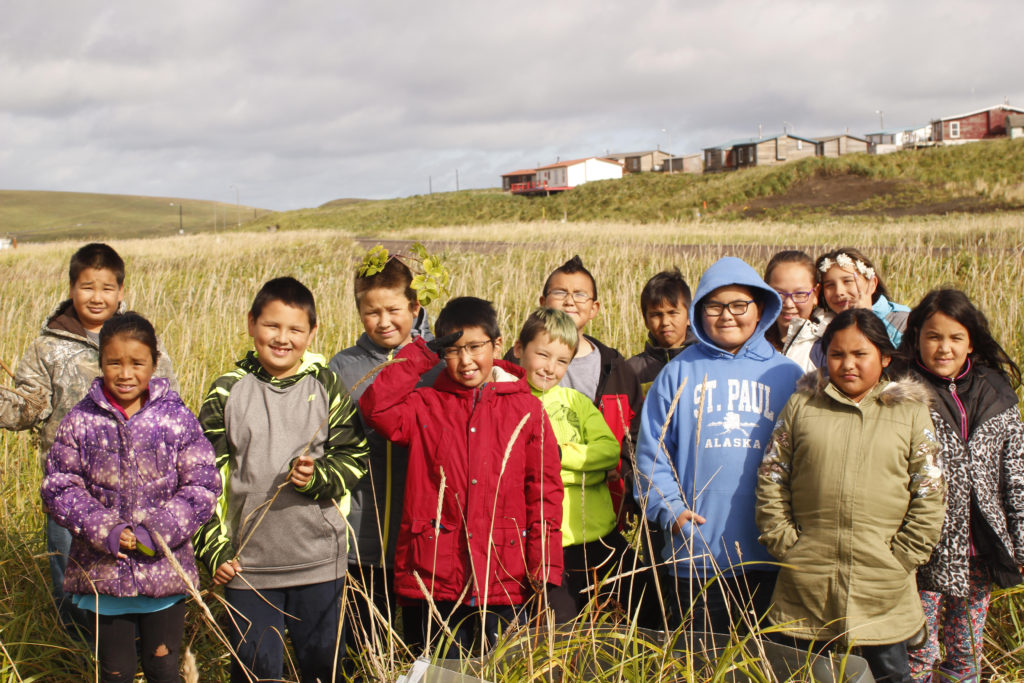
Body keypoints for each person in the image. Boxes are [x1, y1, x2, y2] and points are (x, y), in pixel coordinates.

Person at [360, 296, 563, 653]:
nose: (465, 360)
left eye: (474, 347)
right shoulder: (425, 405)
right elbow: (377, 408)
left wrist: (543, 567)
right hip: (433, 574)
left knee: (497, 671)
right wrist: (420, 353)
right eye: (452, 350)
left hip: (503, 576)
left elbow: (544, 494)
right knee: (438, 672)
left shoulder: (526, 409)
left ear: (497, 345)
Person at [193, 277, 369, 683]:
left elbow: (354, 456)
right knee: (256, 672)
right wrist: (215, 551)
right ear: (252, 323)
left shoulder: (325, 384)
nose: (282, 338)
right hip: (247, 569)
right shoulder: (227, 390)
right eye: (272, 326)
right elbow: (200, 481)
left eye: (295, 329)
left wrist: (317, 478)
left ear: (312, 332)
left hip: (321, 564)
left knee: (324, 670)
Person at [757, 309, 946, 683]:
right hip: (808, 579)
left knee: (890, 675)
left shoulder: (909, 412)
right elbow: (772, 476)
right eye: (837, 354)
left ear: (885, 357)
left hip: (883, 583)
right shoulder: (802, 405)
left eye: (860, 354)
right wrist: (784, 542)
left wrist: (904, 556)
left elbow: (930, 491)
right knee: (804, 674)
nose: (848, 365)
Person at [0, 243, 176, 634]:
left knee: (135, 576)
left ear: (121, 289)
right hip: (71, 490)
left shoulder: (143, 340)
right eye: (87, 287)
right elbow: (25, 411)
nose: (97, 297)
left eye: (106, 287)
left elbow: (168, 406)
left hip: (136, 491)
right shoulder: (47, 347)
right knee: (70, 575)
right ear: (70, 287)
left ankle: (134, 651)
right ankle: (80, 654)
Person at [40, 313, 218, 683]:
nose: (124, 373)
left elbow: (203, 485)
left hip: (164, 575)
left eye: (137, 363)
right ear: (100, 362)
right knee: (115, 672)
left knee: (163, 667)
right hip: (102, 575)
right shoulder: (80, 420)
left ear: (154, 362)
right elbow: (59, 486)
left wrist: (156, 531)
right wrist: (106, 528)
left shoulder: (177, 419)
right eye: (113, 363)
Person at [634, 256, 803, 633]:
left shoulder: (787, 374)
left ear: (760, 310)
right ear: (699, 311)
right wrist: (671, 511)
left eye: (739, 305)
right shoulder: (678, 372)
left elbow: (807, 458)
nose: (728, 315)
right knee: (697, 661)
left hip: (769, 552)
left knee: (763, 663)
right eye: (715, 306)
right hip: (696, 553)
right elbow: (651, 452)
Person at [895, 289, 1024, 682]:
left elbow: (1015, 473)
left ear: (971, 340)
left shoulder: (996, 390)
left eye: (955, 337)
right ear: (917, 336)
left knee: (966, 649)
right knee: (917, 650)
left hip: (980, 549)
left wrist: (1020, 541)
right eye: (934, 336)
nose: (944, 348)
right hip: (920, 549)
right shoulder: (898, 391)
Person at [513, 307, 657, 626]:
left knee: (646, 607)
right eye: (543, 355)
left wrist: (556, 458)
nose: (551, 368)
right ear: (519, 349)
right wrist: (587, 472)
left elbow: (609, 450)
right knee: (558, 633)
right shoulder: (509, 404)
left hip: (600, 538)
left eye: (562, 361)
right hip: (548, 546)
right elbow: (520, 468)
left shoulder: (575, 402)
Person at [328, 257, 436, 661]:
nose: (384, 321)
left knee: (421, 648)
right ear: (359, 312)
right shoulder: (343, 366)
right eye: (372, 312)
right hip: (360, 537)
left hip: (421, 537)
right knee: (362, 648)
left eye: (394, 310)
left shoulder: (436, 364)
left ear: (415, 307)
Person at [529, 255, 643, 523]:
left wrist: (623, 477)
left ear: (594, 308)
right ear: (542, 302)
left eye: (580, 295)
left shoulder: (616, 367)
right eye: (560, 292)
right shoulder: (516, 365)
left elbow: (634, 435)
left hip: (601, 506)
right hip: (534, 507)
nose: (569, 301)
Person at [816, 247, 910, 348]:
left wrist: (866, 319)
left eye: (848, 281)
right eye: (830, 285)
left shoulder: (902, 321)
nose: (839, 292)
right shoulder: (820, 325)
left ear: (872, 284)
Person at [626, 267, 695, 396]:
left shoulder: (702, 361)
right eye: (656, 315)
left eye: (672, 313)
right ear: (646, 321)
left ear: (689, 317)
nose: (665, 322)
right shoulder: (631, 370)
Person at [763, 250, 826, 372]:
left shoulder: (826, 345)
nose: (788, 303)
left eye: (800, 294)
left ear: (815, 293)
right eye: (779, 293)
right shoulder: (752, 341)